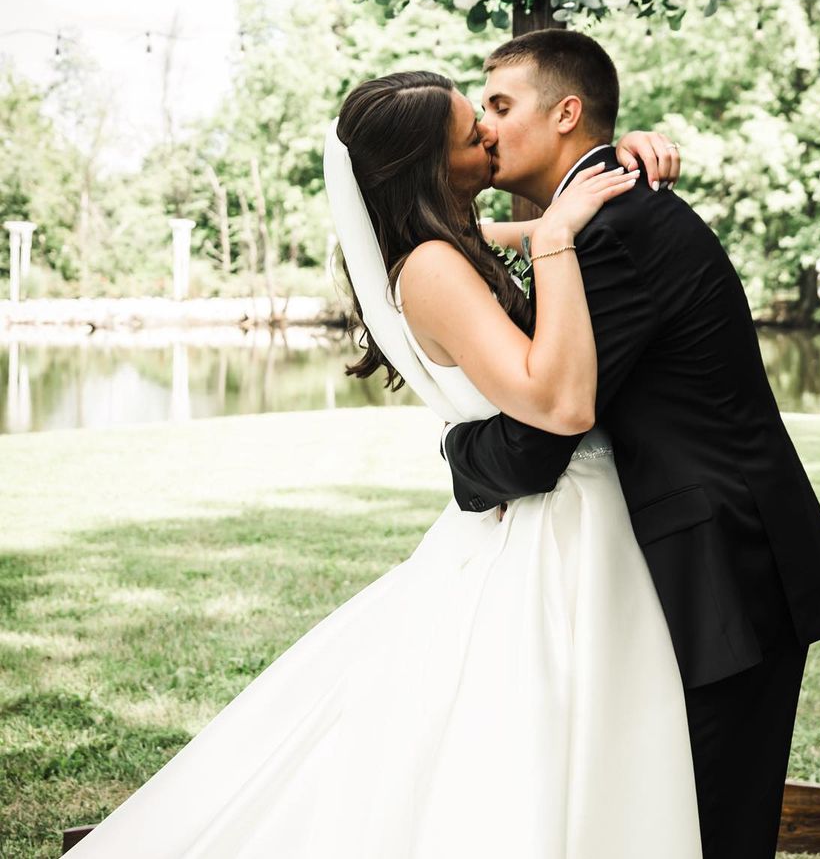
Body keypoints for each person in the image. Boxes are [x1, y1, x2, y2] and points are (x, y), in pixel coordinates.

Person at [68, 72, 702, 859]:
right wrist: (552, 236)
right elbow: (563, 405)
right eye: (475, 136)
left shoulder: (448, 246)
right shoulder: (432, 266)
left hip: (564, 516)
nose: (492, 139)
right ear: (430, 168)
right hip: (553, 533)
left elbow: (533, 224)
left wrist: (620, 161)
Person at [441, 29, 820, 859]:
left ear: (566, 113)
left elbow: (536, 441)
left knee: (710, 831)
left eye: (499, 105)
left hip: (727, 576)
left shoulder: (610, 233)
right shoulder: (600, 210)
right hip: (701, 567)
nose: (486, 128)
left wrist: (454, 451)